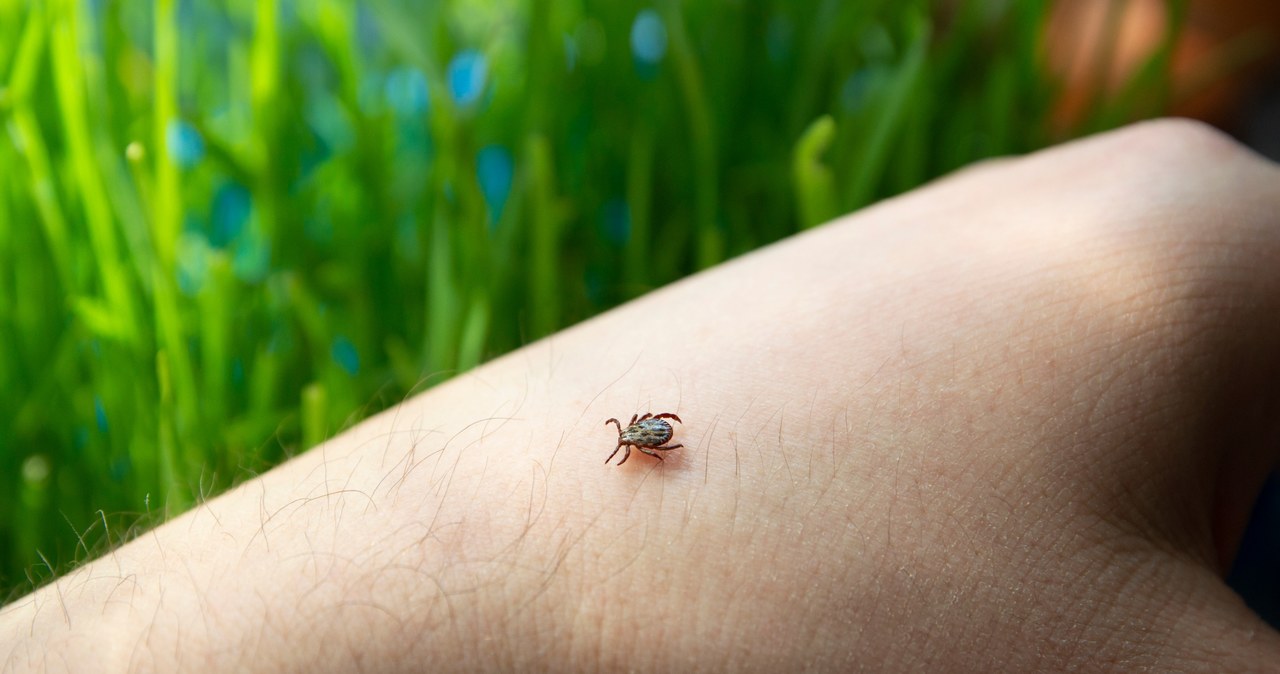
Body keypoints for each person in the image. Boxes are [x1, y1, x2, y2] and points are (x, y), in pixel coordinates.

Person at [2, 118, 1278, 671]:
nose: (638, 440)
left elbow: (661, 441)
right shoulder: (646, 441)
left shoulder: (648, 440)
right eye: (636, 434)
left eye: (637, 434)